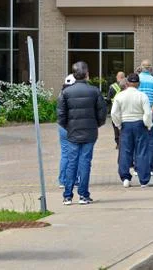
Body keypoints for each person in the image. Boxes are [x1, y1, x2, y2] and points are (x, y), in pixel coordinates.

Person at [58, 61, 107, 205]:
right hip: (90, 131)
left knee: (72, 161)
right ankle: (83, 195)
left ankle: (67, 195)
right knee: (85, 162)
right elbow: (102, 112)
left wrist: (68, 126)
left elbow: (60, 115)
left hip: (73, 131)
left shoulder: (65, 92)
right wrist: (96, 124)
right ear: (86, 74)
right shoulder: (94, 91)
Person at [111, 73, 152, 188]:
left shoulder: (120, 96)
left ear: (127, 83)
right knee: (142, 151)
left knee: (125, 151)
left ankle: (125, 177)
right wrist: (148, 124)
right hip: (139, 123)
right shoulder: (142, 96)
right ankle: (144, 179)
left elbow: (114, 113)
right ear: (138, 84)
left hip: (125, 124)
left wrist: (118, 124)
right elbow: (147, 113)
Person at [138, 60, 153, 175]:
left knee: (138, 141)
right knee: (152, 140)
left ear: (141, 68)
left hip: (138, 114)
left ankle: (138, 168)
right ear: (151, 69)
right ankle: (151, 168)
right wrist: (151, 111)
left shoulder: (136, 80)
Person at [58, 74, 76, 188]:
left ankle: (62, 180)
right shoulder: (74, 94)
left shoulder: (61, 94)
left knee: (65, 154)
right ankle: (75, 179)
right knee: (75, 154)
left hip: (62, 126)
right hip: (73, 126)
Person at [107, 71, 126, 149]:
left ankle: (118, 143)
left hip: (115, 109)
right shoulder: (126, 86)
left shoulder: (112, 87)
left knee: (115, 126)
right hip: (124, 109)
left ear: (118, 77)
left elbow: (108, 99)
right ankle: (123, 141)